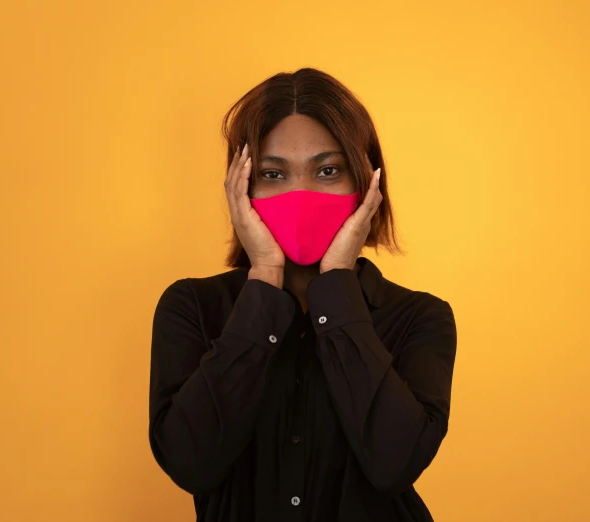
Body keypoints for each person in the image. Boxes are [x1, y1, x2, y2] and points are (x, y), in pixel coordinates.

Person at [148, 67, 458, 522]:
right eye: (274, 174)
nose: (302, 193)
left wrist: (336, 283)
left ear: (368, 185)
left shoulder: (420, 317)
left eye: (328, 170)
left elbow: (394, 464)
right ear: (243, 190)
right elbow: (191, 463)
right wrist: (265, 277)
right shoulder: (192, 308)